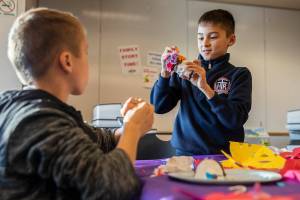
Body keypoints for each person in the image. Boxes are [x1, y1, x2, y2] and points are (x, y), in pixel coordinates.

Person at [0, 8, 154, 200]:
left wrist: (123, 131)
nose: (88, 61)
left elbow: (89, 138)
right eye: (86, 52)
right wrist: (133, 128)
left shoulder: (19, 107)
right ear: (67, 61)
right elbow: (112, 187)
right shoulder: (40, 121)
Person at [151, 9, 252, 155]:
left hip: (223, 156)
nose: (205, 43)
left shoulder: (239, 74)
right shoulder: (185, 70)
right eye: (200, 38)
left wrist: (206, 89)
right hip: (184, 154)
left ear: (231, 40)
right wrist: (165, 73)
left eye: (212, 37)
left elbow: (234, 120)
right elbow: (159, 107)